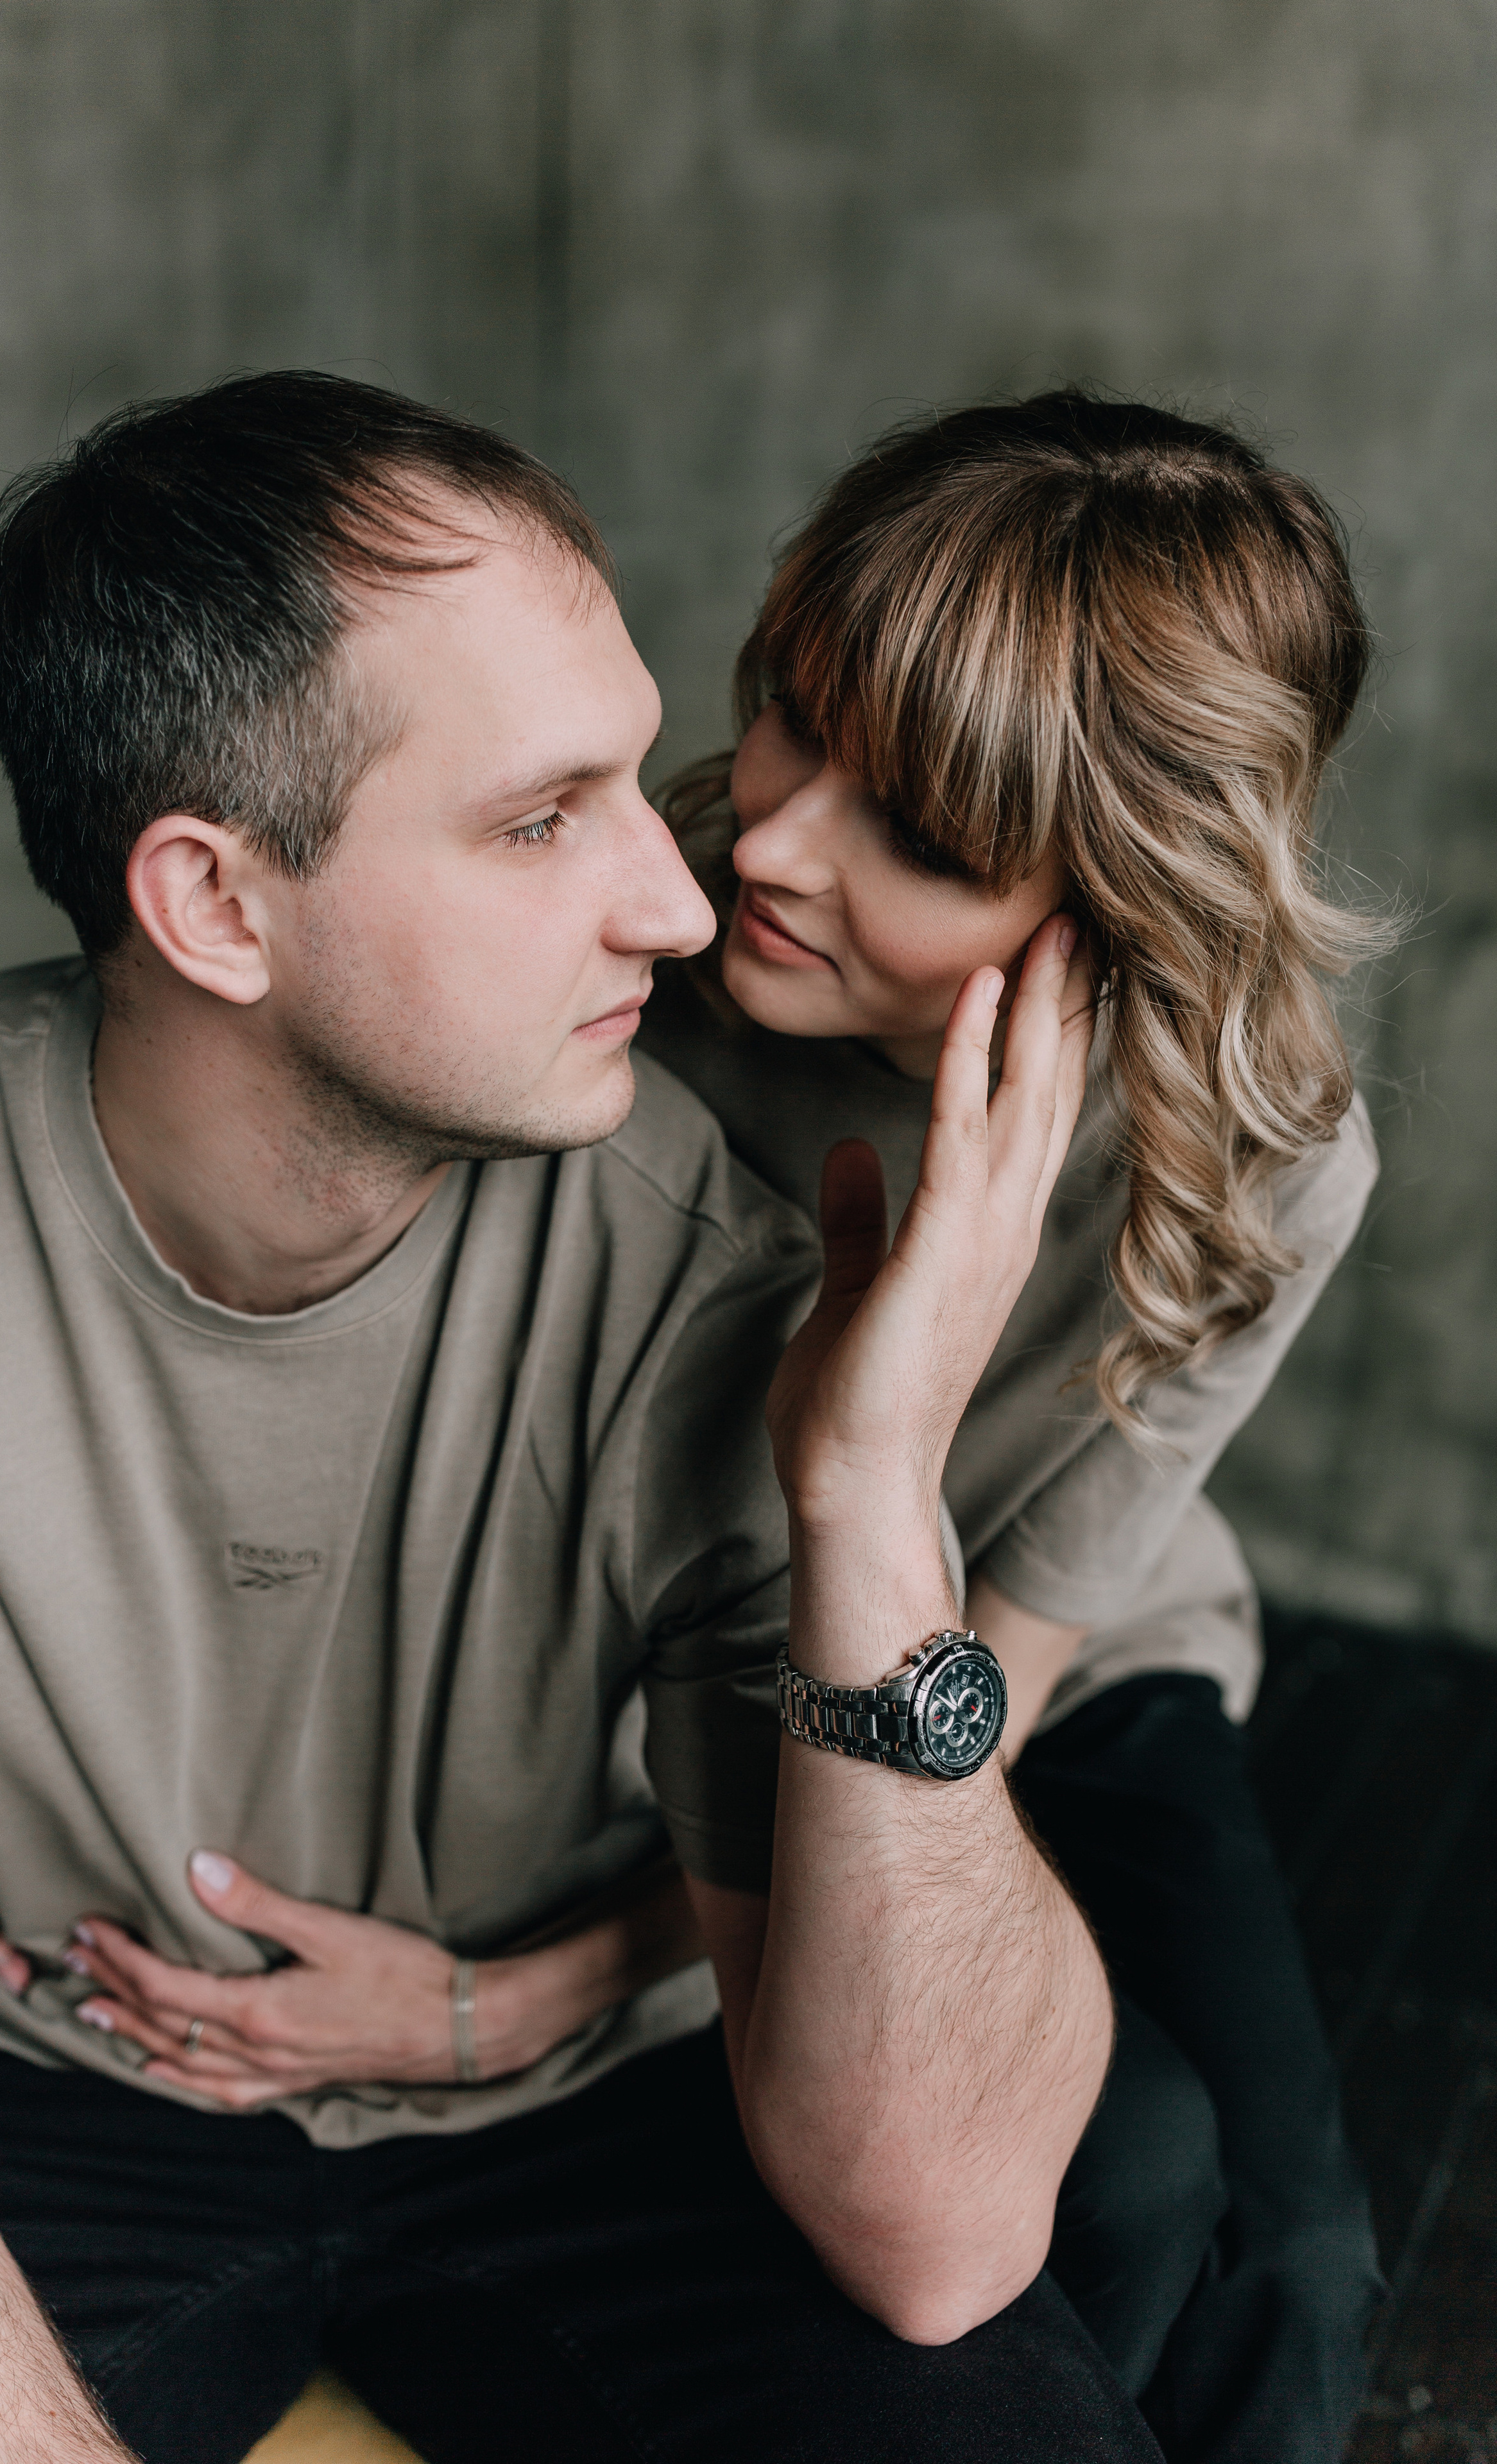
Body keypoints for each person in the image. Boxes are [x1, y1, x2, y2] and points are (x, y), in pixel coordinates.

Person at [0, 372, 1154, 2464]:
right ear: (213, 905)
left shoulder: (710, 1276)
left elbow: (942, 2233)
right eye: (543, 820)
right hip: (37, 2073)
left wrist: (875, 1500)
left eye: (641, 785)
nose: (685, 901)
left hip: (590, 2107)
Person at [632, 389, 1390, 2463]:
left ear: (1129, 892)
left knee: (1300, 2260)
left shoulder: (1261, 1161)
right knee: (1115, 2179)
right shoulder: (614, 1000)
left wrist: (543, 1991)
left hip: (1041, 1659)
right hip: (659, 1683)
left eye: (926, 837)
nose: (771, 840)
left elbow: (1012, 1666)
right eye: (793, 713)